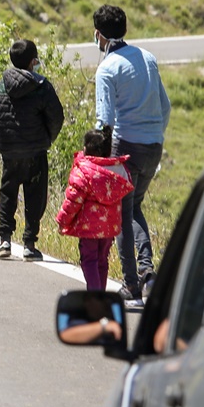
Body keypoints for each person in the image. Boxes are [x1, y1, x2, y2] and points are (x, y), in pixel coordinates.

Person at [92, 4, 171, 303]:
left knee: (122, 215)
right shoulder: (147, 58)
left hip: (125, 148)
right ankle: (148, 273)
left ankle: (132, 285)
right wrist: (155, 134)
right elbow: (165, 107)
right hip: (154, 146)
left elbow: (104, 122)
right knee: (135, 207)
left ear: (99, 35)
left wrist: (97, 157)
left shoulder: (107, 68)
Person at [0, 38, 66, 262]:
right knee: (35, 196)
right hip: (35, 150)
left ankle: (4, 240)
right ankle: (29, 244)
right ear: (33, 61)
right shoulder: (42, 86)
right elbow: (57, 118)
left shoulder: (1, 85)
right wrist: (47, 139)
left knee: (8, 193)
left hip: (10, 151)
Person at [57, 128, 137, 300]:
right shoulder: (117, 171)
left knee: (89, 260)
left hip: (89, 228)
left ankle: (94, 298)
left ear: (89, 149)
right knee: (102, 260)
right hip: (109, 227)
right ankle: (100, 295)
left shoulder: (84, 171)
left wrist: (63, 221)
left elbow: (72, 201)